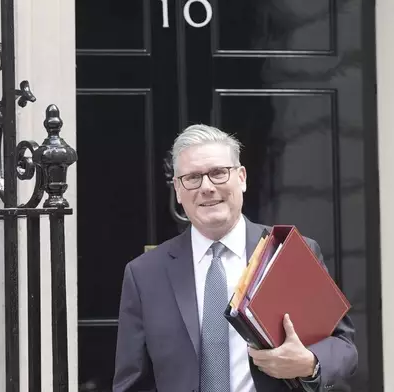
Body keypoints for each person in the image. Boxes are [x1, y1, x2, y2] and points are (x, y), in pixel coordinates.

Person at [113, 124, 358, 392]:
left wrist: (309, 363)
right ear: (178, 191)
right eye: (192, 178)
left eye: (218, 173)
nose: (206, 187)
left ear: (241, 177)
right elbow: (132, 382)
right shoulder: (145, 274)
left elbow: (344, 346)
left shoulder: (287, 252)